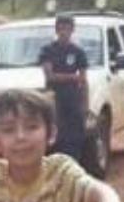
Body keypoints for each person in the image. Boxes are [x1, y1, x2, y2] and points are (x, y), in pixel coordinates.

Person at [39, 14, 96, 176]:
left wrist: (85, 105)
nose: (64, 32)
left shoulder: (78, 52)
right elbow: (49, 76)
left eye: (67, 28)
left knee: (75, 139)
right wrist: (72, 77)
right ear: (56, 30)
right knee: (55, 138)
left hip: (73, 101)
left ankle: (72, 174)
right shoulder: (48, 50)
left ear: (72, 30)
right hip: (55, 101)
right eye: (61, 28)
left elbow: (83, 80)